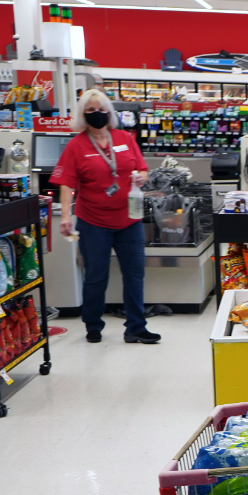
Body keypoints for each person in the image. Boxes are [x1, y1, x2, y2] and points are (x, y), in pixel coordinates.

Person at [51, 89, 157, 345]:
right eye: (90, 111)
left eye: (101, 110)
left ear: (109, 113)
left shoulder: (124, 138)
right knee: (96, 275)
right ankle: (93, 324)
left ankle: (136, 327)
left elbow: (141, 167)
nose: (96, 115)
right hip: (94, 222)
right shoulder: (76, 145)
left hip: (128, 220)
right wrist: (66, 215)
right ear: (82, 115)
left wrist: (143, 175)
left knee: (135, 274)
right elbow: (66, 183)